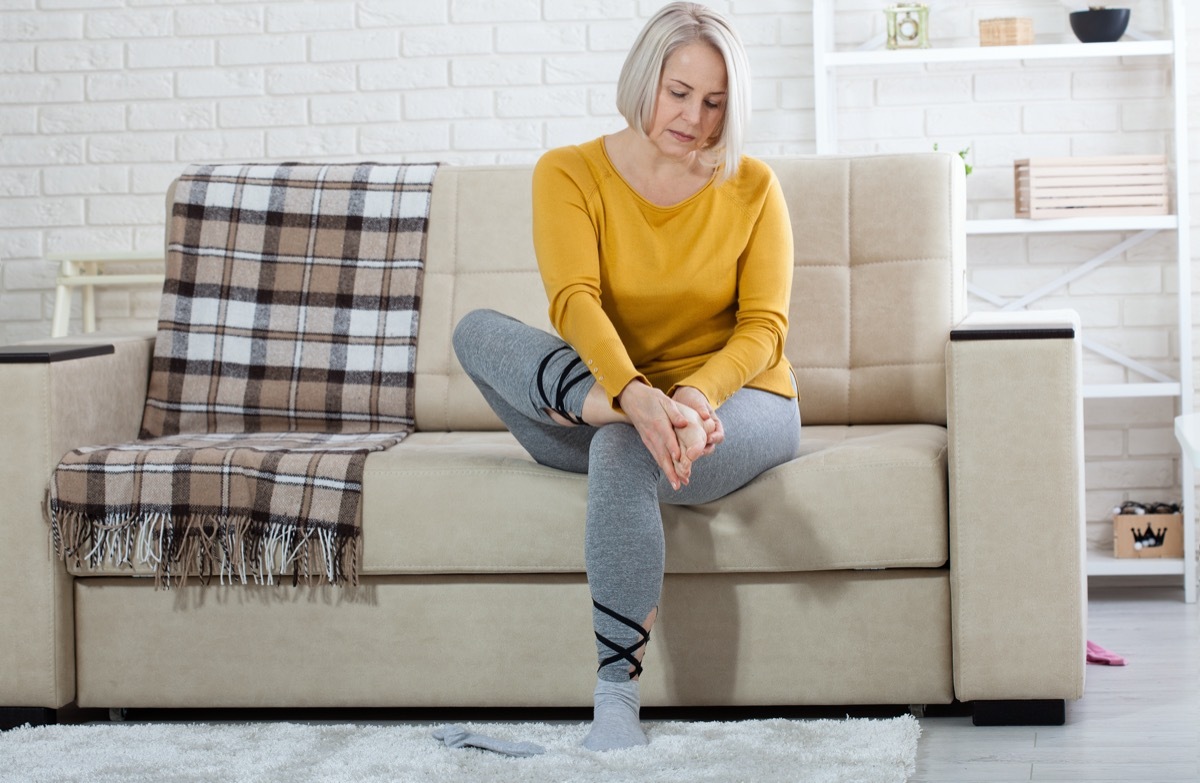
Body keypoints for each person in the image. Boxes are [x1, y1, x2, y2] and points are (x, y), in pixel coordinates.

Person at [452, 2, 800, 752]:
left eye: (714, 103)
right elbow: (572, 300)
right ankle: (612, 411)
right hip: (614, 395)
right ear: (646, 77)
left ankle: (615, 701)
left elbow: (763, 329)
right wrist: (634, 397)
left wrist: (691, 399)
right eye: (678, 92)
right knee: (476, 330)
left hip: (741, 402)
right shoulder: (568, 172)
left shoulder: (753, 186)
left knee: (624, 450)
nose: (695, 119)